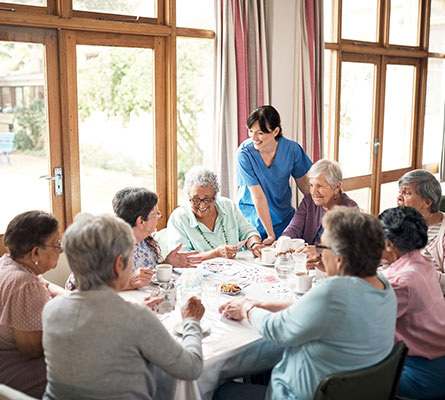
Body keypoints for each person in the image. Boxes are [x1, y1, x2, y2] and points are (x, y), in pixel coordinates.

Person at [217, 207, 397, 400]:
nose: (319, 254)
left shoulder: (333, 293)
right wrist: (262, 304)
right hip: (357, 391)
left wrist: (247, 308)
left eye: (322, 248)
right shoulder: (383, 285)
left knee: (218, 388)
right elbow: (312, 307)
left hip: (296, 395)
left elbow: (276, 329)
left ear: (340, 259)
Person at [43, 213, 205, 400]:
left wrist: (132, 310)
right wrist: (192, 320)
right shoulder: (136, 318)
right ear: (119, 264)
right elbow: (191, 369)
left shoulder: (51, 310)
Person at [65, 187, 201, 291]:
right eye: (155, 214)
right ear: (141, 221)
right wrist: (128, 283)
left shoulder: (148, 243)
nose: (158, 218)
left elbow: (149, 275)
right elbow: (78, 289)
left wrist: (167, 264)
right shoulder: (106, 245)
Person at [379, 206, 445, 400]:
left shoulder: (401, 282)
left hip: (421, 377)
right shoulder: (421, 262)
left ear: (390, 244)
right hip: (437, 362)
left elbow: (364, 316)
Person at [0, 211, 64, 398]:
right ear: (36, 252)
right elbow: (33, 349)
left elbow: (45, 284)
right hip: (26, 377)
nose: (60, 250)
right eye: (57, 245)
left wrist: (73, 299)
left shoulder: (9, 264)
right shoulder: (24, 284)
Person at [236, 105, 312, 245]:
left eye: (260, 133)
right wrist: (270, 235)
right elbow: (257, 195)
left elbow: (303, 183)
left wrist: (324, 203)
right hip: (252, 220)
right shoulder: (244, 154)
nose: (254, 138)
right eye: (251, 131)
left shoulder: (292, 150)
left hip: (284, 218)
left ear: (275, 131)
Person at [168, 166, 262, 260]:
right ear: (188, 196)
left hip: (237, 267)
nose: (202, 205)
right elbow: (180, 258)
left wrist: (255, 244)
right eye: (196, 199)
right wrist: (215, 253)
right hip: (201, 273)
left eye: (207, 199)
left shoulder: (228, 206)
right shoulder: (179, 218)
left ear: (215, 197)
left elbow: (248, 232)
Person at [280, 159, 358, 270]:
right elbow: (294, 227)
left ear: (336, 187)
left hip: (332, 268)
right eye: (311, 185)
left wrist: (318, 250)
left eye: (320, 186)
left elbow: (347, 248)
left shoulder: (350, 209)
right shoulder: (308, 201)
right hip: (306, 265)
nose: (313, 192)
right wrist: (284, 240)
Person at [396, 169, 444, 292]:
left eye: (406, 193)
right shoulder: (399, 222)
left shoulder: (442, 233)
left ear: (427, 202)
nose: (399, 198)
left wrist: (417, 272)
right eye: (399, 192)